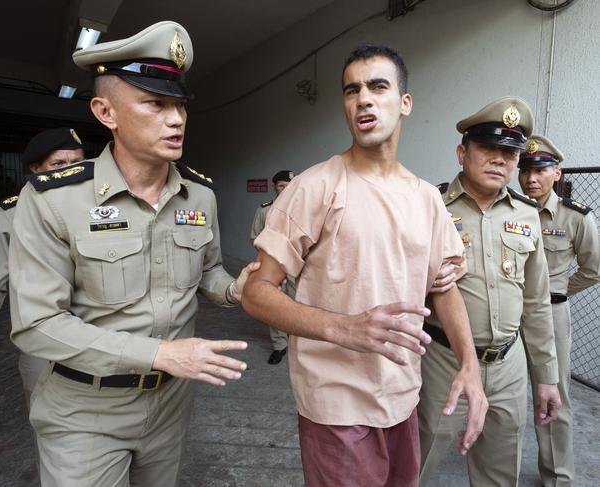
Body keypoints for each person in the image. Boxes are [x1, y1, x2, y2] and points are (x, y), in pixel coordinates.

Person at [8, 21, 257, 487]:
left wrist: (235, 289)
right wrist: (159, 353)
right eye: (155, 103)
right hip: (84, 411)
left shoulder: (199, 196)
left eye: (180, 105)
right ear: (106, 112)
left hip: (170, 407)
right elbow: (37, 325)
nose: (177, 119)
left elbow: (209, 272)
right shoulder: (53, 200)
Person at [242, 44, 487, 486]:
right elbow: (257, 292)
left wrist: (470, 365)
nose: (363, 99)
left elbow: (444, 287)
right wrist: (343, 328)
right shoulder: (314, 187)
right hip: (336, 403)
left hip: (402, 395)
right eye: (352, 90)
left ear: (405, 103)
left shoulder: (427, 198)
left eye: (378, 86)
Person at [419, 98, 562, 486]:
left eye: (510, 152)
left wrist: (546, 376)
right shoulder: (429, 207)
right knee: (419, 458)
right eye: (488, 148)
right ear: (462, 153)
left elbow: (536, 302)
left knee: (500, 471)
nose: (500, 160)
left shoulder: (526, 213)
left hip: (508, 365)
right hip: (442, 361)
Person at [0, 128, 85, 404]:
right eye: (58, 165)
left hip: (111, 343)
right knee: (53, 435)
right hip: (46, 351)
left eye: (77, 163)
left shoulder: (106, 209)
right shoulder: (9, 215)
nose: (69, 172)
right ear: (35, 169)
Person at [518, 134, 600, 487]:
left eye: (540, 170)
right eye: (525, 170)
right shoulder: (512, 210)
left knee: (552, 397)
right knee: (500, 391)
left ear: (557, 173)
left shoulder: (576, 217)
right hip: (507, 314)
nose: (530, 178)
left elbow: (593, 268)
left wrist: (555, 292)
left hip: (550, 317)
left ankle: (557, 477)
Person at [250, 169, 296, 364]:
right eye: (281, 186)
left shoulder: (303, 209)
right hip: (272, 264)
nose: (285, 189)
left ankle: (295, 342)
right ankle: (280, 345)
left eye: (289, 186)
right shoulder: (264, 210)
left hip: (297, 265)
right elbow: (254, 235)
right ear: (275, 188)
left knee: (297, 304)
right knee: (273, 303)